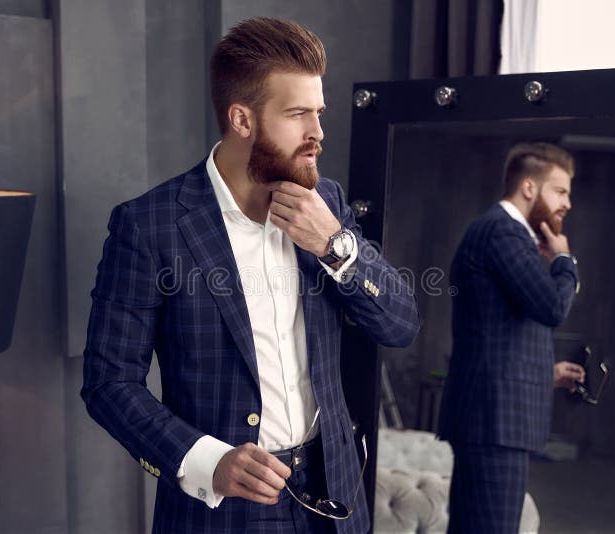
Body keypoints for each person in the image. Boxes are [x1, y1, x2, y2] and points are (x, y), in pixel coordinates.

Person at [80, 17, 419, 534]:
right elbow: (109, 382)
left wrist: (335, 246)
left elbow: (400, 324)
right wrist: (206, 461)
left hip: (336, 496)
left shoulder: (324, 203)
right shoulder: (149, 227)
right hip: (223, 511)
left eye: (319, 113)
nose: (318, 134)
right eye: (298, 114)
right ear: (242, 119)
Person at [438, 142, 583, 533]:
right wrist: (564, 262)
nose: (568, 203)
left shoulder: (502, 233)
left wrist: (543, 372)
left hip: (493, 419)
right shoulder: (502, 231)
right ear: (530, 188)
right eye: (561, 191)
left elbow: (496, 328)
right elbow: (552, 307)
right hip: (493, 422)